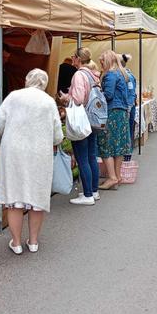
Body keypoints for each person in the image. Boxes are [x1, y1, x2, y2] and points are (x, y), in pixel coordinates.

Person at [0, 69, 63, 255]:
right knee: (36, 198)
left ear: (27, 80)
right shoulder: (49, 102)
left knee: (14, 198)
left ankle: (15, 243)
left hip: (14, 152)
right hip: (39, 154)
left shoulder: (14, 97)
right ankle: (33, 242)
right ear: (44, 83)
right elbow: (57, 136)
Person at [61, 47, 100, 206]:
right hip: (93, 119)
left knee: (82, 158)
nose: (72, 59)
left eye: (73, 57)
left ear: (78, 59)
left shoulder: (78, 75)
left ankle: (88, 195)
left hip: (82, 119)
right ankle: (94, 191)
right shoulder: (93, 73)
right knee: (91, 156)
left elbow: (77, 99)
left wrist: (66, 98)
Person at [97, 50, 132, 190]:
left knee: (106, 145)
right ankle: (117, 176)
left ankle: (111, 177)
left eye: (102, 62)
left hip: (112, 113)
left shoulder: (110, 75)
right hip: (122, 113)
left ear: (108, 61)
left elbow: (108, 95)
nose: (101, 64)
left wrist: (97, 91)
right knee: (118, 147)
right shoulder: (122, 74)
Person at [120, 53, 137, 156]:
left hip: (127, 107)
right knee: (128, 131)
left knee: (127, 131)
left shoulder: (127, 76)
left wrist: (128, 107)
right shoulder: (126, 75)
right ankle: (127, 154)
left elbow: (131, 93)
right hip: (129, 106)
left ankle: (127, 155)